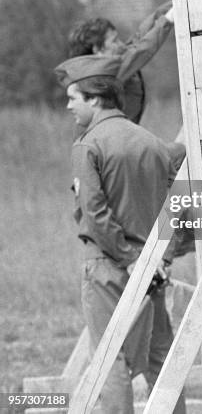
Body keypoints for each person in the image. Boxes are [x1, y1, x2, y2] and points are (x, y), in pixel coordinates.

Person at [55, 54, 186, 414]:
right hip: (153, 272)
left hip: (110, 268)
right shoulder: (155, 144)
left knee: (111, 359)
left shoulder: (88, 145)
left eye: (73, 98)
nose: (68, 106)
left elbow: (95, 215)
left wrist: (130, 260)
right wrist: (161, 258)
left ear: (95, 98)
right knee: (162, 356)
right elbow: (178, 205)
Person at [68, 5, 174, 124]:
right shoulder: (103, 77)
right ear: (97, 50)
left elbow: (139, 39)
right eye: (114, 41)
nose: (121, 45)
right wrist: (168, 20)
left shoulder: (117, 61)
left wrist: (170, 5)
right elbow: (140, 51)